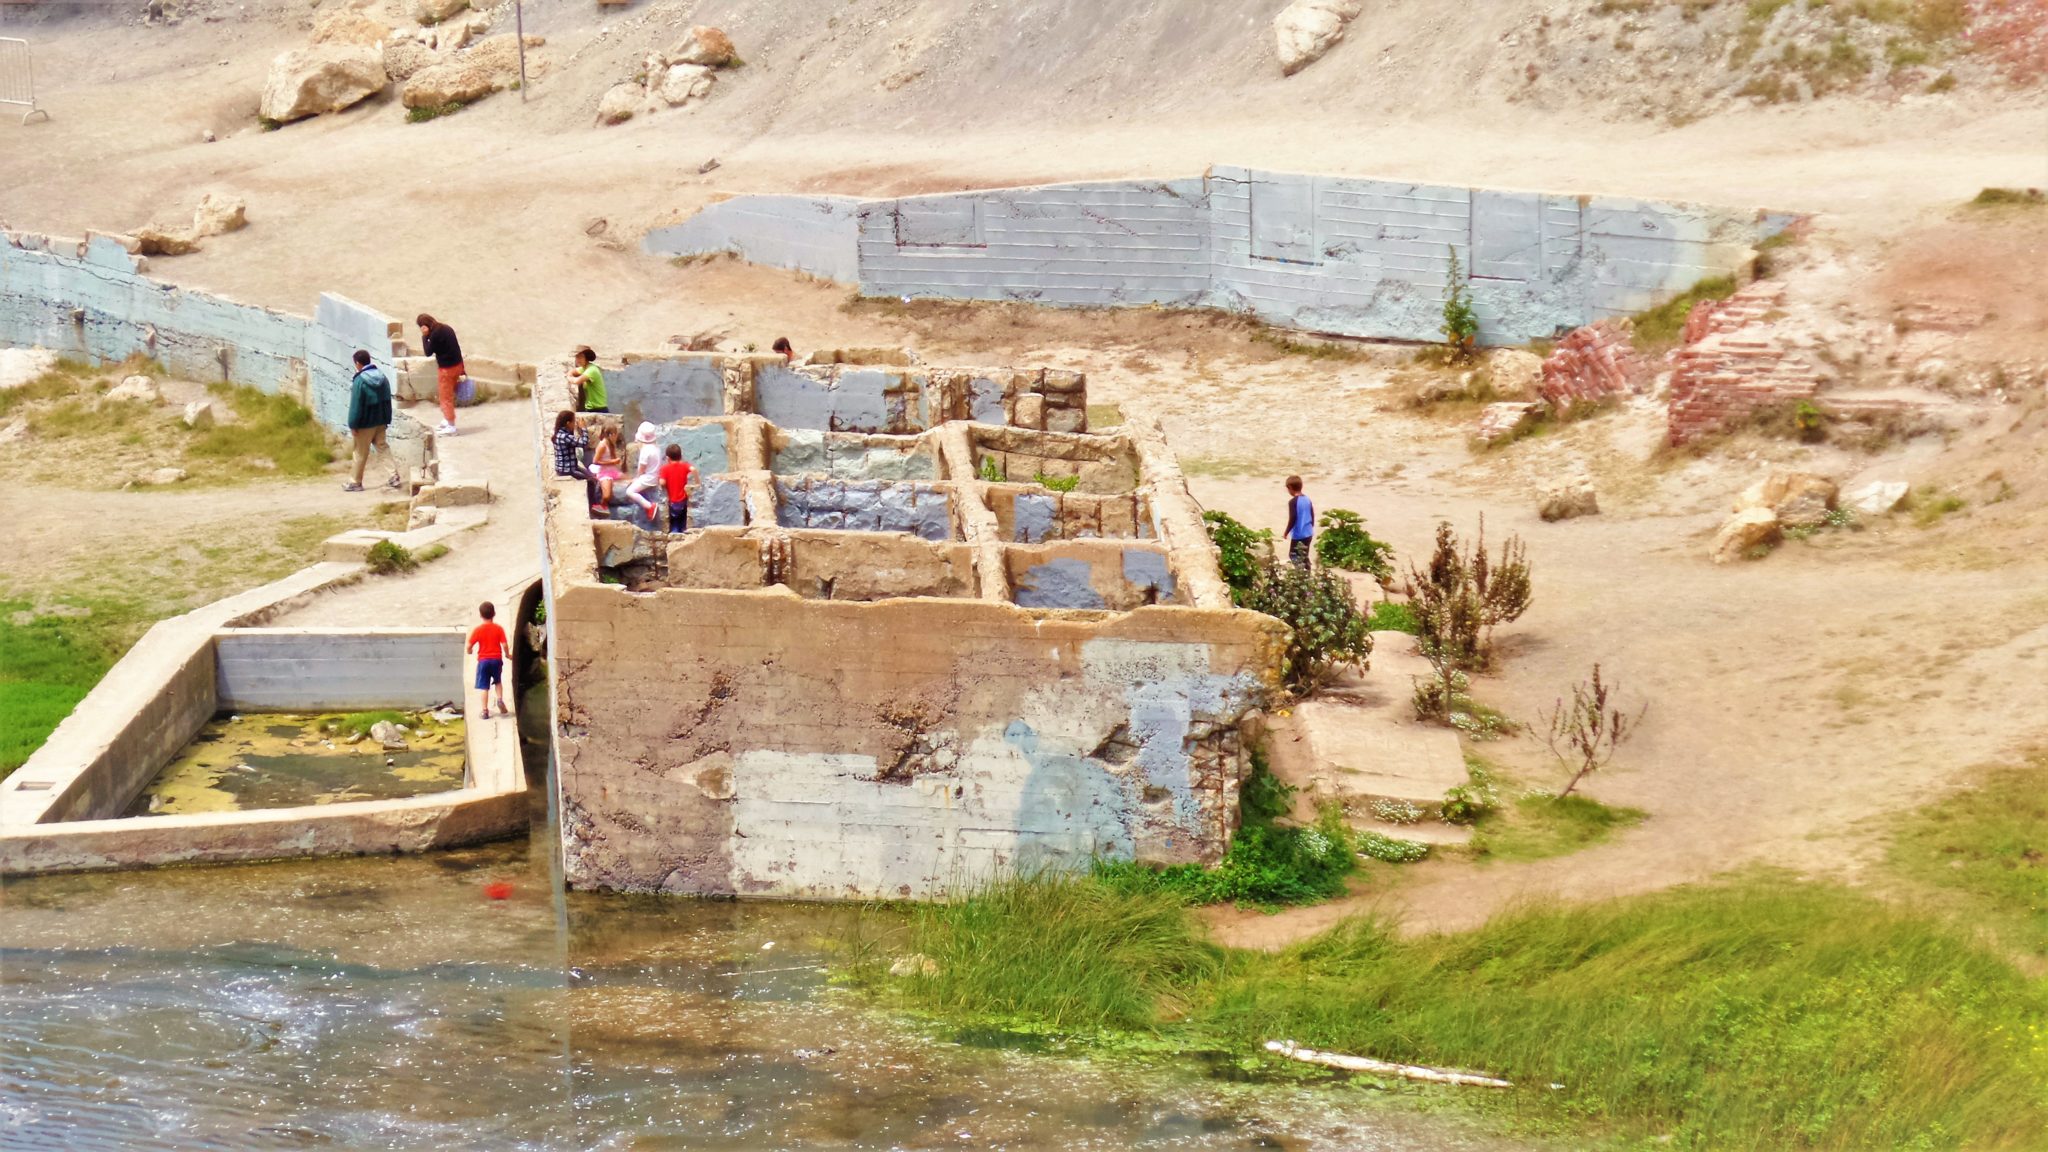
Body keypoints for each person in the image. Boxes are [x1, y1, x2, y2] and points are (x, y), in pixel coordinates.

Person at [344, 350, 402, 492]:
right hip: (381, 420)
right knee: (382, 447)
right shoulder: (382, 377)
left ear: (358, 363)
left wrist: (353, 424)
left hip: (365, 424)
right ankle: (393, 476)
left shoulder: (360, 380)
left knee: (360, 452)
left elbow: (356, 405)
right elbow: (388, 400)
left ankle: (355, 482)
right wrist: (386, 419)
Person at [416, 312, 466, 436]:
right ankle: (447, 419)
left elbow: (428, 352)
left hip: (447, 370)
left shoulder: (434, 335)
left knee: (445, 397)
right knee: (449, 394)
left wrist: (424, 336)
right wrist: (463, 369)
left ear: (424, 326)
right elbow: (457, 348)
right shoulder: (446, 328)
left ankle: (451, 425)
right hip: (458, 365)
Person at [552, 410, 602, 512]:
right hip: (567, 469)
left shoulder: (561, 433)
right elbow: (583, 443)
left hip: (570, 466)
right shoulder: (564, 436)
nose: (575, 425)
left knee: (592, 476)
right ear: (568, 423)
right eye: (574, 422)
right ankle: (593, 507)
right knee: (591, 481)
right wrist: (583, 429)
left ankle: (595, 504)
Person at [467, 601, 509, 720]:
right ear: (494, 613)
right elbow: (505, 644)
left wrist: (469, 651)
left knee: (484, 687)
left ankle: (485, 711)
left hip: (483, 661)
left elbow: (469, 645)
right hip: (496, 659)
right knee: (498, 681)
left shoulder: (478, 630)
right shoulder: (498, 629)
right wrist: (507, 654)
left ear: (480, 615)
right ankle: (500, 700)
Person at [622, 421, 662, 521]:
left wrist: (637, 478)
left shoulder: (645, 451)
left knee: (630, 491)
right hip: (656, 476)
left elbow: (641, 469)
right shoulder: (656, 448)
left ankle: (649, 506)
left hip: (648, 478)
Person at [657, 443, 694, 533]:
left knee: (674, 524)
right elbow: (693, 469)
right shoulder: (685, 465)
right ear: (680, 456)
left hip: (673, 502)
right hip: (683, 500)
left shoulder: (665, 468)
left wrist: (661, 484)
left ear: (668, 458)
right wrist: (697, 482)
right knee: (683, 523)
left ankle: (674, 537)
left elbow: (662, 482)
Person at [590, 423, 625, 510]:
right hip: (604, 473)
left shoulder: (611, 444)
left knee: (630, 480)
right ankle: (601, 506)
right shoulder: (602, 445)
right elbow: (595, 461)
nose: (616, 436)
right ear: (611, 435)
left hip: (612, 471)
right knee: (607, 496)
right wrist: (612, 462)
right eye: (615, 434)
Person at [1285, 475, 1315, 569]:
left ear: (1290, 488)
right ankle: (1308, 573)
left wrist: (1286, 532)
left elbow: (1293, 518)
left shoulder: (1292, 502)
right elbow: (1312, 514)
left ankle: (1301, 574)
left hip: (1299, 534)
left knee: (1293, 555)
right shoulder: (1307, 499)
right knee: (1304, 555)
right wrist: (1311, 526)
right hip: (1309, 532)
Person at [571, 347, 608, 412]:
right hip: (590, 408)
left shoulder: (592, 370)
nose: (578, 360)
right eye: (577, 357)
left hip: (599, 409)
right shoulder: (584, 368)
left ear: (587, 358)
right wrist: (569, 375)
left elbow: (577, 381)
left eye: (580, 357)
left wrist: (568, 377)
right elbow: (572, 372)